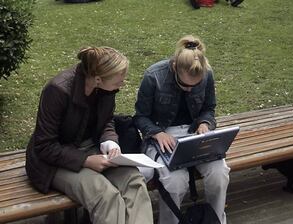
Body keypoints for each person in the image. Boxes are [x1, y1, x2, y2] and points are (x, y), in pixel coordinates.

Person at [25, 47, 153, 224]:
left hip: (90, 149)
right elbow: (44, 146)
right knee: (104, 195)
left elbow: (107, 121)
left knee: (134, 181)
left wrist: (110, 141)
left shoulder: (106, 89)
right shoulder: (57, 90)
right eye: (118, 82)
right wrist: (86, 160)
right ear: (98, 79)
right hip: (51, 162)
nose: (122, 85)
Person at [134, 35, 230, 224]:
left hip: (195, 135)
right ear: (174, 67)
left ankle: (216, 220)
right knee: (174, 182)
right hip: (162, 136)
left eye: (195, 85)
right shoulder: (153, 76)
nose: (189, 89)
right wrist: (157, 133)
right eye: (184, 84)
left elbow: (209, 108)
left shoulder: (206, 73)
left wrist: (205, 124)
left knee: (219, 173)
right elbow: (140, 117)